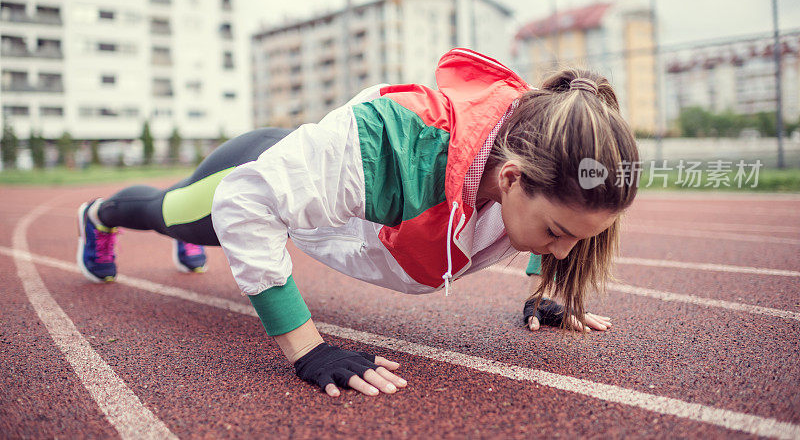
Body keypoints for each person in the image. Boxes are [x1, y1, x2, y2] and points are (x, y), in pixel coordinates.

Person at [76, 48, 638, 398]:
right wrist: (308, 350)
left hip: (318, 176)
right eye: (555, 236)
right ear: (512, 179)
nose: (562, 251)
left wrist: (546, 292)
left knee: (220, 229)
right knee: (176, 215)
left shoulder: (541, 155)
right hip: (260, 170)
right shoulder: (390, 144)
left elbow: (569, 221)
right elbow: (245, 203)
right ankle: (100, 217)